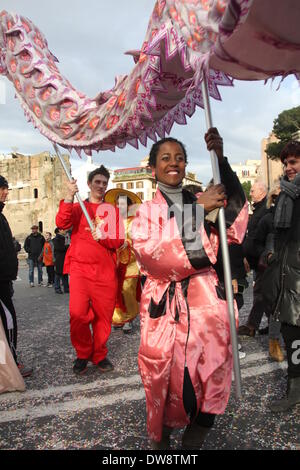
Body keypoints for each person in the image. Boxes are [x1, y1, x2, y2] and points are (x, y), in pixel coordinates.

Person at [131, 128, 248, 449]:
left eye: (180, 158)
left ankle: (192, 445)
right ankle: (162, 444)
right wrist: (197, 211)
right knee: (168, 388)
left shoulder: (203, 198)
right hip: (167, 316)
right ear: (152, 169)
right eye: (165, 158)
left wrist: (221, 160)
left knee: (212, 381)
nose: (174, 163)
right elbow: (153, 255)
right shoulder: (146, 212)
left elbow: (236, 221)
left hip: (210, 312)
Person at [56, 166, 124, 375]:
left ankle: (99, 354)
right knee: (77, 314)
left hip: (104, 272)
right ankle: (83, 353)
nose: (101, 186)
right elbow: (62, 223)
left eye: (104, 183)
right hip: (79, 270)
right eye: (97, 182)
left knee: (103, 317)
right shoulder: (77, 209)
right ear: (89, 184)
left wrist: (103, 236)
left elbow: (118, 241)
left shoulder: (111, 211)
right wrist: (68, 197)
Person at [265, 141, 300, 412]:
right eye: (286, 162)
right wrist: (271, 250)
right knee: (291, 331)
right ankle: (294, 387)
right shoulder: (285, 196)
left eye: (294, 162)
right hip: (287, 272)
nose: (288, 167)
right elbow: (275, 232)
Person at [0, 175, 32, 378]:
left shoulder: (1, 216)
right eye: (2, 189)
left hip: (5, 278)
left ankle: (7, 365)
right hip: (0, 280)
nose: (5, 192)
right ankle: (11, 363)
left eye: (6, 189)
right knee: (8, 322)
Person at [254, 183, 284, 362]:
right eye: (277, 196)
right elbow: (255, 243)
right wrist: (268, 255)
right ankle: (274, 343)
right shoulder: (267, 219)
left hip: (292, 265)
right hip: (273, 269)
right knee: (277, 307)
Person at [105, 189, 141, 334]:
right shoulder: (112, 222)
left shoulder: (135, 221)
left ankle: (130, 318)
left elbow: (141, 238)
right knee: (115, 290)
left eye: (123, 204)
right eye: (118, 204)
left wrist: (128, 242)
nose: (120, 207)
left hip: (131, 261)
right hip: (115, 261)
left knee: (127, 290)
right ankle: (118, 318)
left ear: (128, 206)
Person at [238, 181, 268, 337]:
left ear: (262, 192)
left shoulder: (265, 210)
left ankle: (252, 325)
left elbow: (260, 237)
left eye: (253, 190)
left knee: (260, 292)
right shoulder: (259, 209)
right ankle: (273, 324)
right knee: (264, 293)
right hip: (256, 259)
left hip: (263, 259)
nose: (251, 193)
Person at [52, 228, 69, 294]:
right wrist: (67, 246)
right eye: (63, 229)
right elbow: (59, 248)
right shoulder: (56, 239)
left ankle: (66, 288)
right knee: (58, 274)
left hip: (64, 257)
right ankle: (57, 288)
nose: (65, 230)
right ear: (59, 230)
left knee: (65, 273)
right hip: (59, 258)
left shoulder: (64, 238)